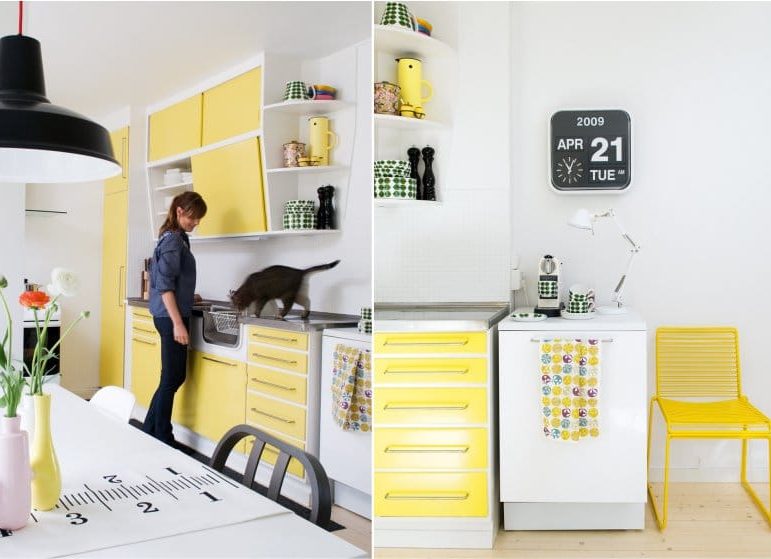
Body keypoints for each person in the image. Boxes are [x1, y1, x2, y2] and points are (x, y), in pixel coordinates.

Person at [143, 191, 207, 445]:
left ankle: (149, 429)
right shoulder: (173, 241)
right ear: (179, 211)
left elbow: (170, 282)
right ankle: (163, 436)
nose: (196, 223)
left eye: (199, 218)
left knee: (170, 376)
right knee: (172, 377)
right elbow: (165, 286)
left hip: (168, 313)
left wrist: (190, 296)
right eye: (193, 217)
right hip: (171, 318)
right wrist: (178, 323)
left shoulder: (174, 238)